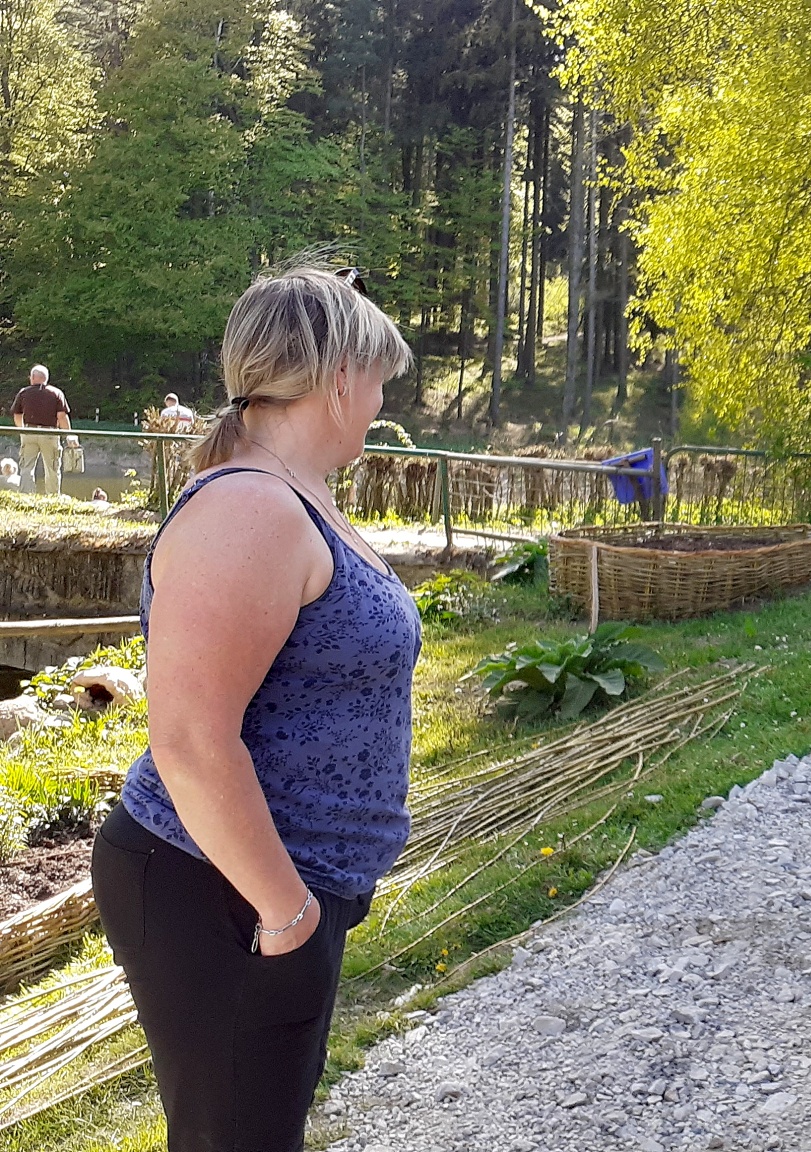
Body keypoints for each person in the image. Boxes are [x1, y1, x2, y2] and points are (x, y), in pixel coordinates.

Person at [91, 264, 419, 1152]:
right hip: (221, 885)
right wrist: (287, 914)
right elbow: (191, 740)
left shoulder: (294, 496)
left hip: (267, 883)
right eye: (379, 378)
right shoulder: (250, 508)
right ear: (340, 377)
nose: (382, 401)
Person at [11, 364, 78, 495]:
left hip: (29, 432)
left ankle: (26, 496)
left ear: (33, 377)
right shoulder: (56, 393)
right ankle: (52, 497)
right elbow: (62, 417)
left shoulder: (24, 392)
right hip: (50, 433)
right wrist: (69, 435)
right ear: (46, 378)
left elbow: (17, 415)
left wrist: (23, 430)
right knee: (52, 468)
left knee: (26, 467)